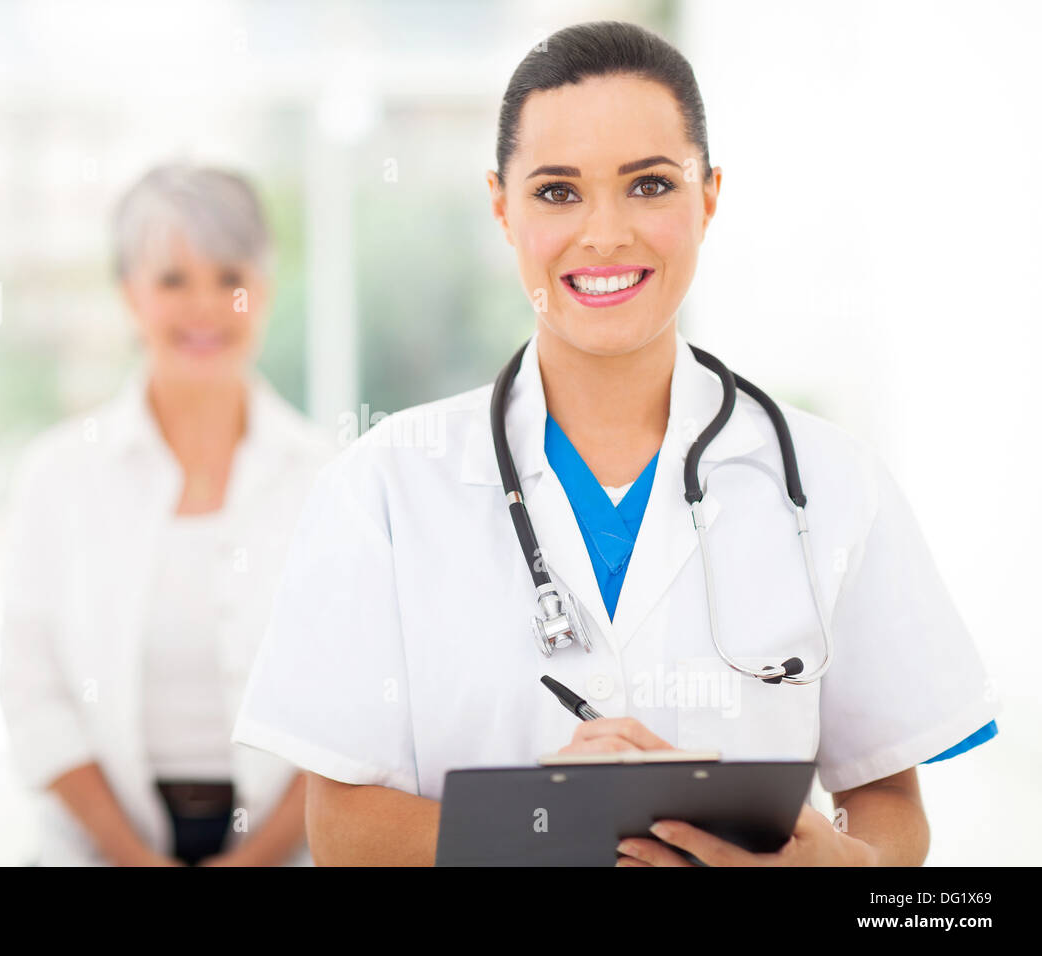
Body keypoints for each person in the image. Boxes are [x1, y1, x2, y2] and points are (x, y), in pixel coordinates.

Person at [231, 21, 999, 866]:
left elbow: (886, 801)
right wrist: (555, 831)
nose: (604, 236)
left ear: (708, 197)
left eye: (650, 186)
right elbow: (345, 831)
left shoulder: (833, 484)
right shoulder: (381, 487)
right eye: (558, 191)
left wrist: (842, 865)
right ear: (502, 206)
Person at [0, 163, 334, 865]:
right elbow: (35, 697)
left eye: (230, 279)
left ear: (265, 292)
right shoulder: (58, 476)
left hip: (287, 846)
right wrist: (134, 856)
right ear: (129, 294)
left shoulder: (328, 478)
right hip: (95, 848)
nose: (204, 308)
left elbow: (351, 703)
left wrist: (252, 860)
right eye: (173, 280)